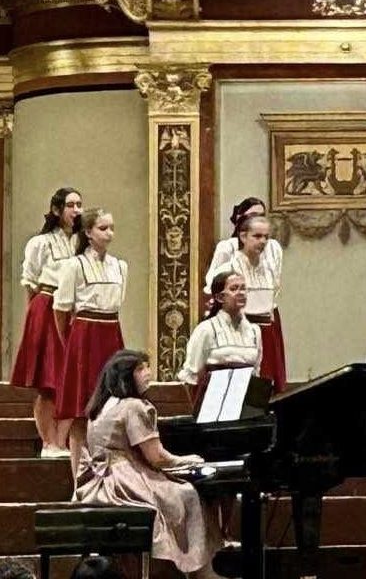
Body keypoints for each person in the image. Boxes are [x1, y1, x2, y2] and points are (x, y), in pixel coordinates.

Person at [76, 350, 228, 579]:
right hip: (123, 482)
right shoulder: (133, 407)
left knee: (178, 492)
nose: (148, 372)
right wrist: (188, 459)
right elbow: (157, 457)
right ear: (124, 376)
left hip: (97, 484)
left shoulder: (99, 408)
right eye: (140, 368)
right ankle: (198, 570)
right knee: (188, 494)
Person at [14, 186, 80, 458]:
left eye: (79, 205)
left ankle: (62, 441)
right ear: (56, 210)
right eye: (71, 205)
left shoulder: (80, 244)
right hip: (46, 305)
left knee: (72, 380)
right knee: (48, 381)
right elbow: (30, 283)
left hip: (72, 310)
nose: (76, 210)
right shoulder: (40, 243)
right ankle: (48, 442)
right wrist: (36, 319)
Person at [54, 208, 127, 453]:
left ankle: (107, 467)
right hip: (85, 335)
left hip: (111, 332)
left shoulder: (120, 266)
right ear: (88, 232)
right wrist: (70, 341)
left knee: (112, 403)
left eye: (112, 228)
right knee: (81, 408)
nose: (110, 233)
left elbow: (117, 303)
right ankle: (78, 473)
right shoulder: (74, 265)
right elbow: (61, 308)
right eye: (103, 228)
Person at [205, 214, 287, 390]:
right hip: (240, 333)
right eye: (257, 236)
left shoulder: (269, 268)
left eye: (266, 237)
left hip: (267, 332)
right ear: (243, 236)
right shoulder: (229, 268)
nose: (262, 241)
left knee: (267, 386)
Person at [178, 272, 261, 411]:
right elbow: (191, 375)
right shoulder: (206, 329)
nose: (241, 293)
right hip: (214, 404)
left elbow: (256, 371)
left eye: (243, 288)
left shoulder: (254, 331)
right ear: (220, 297)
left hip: (246, 404)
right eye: (234, 288)